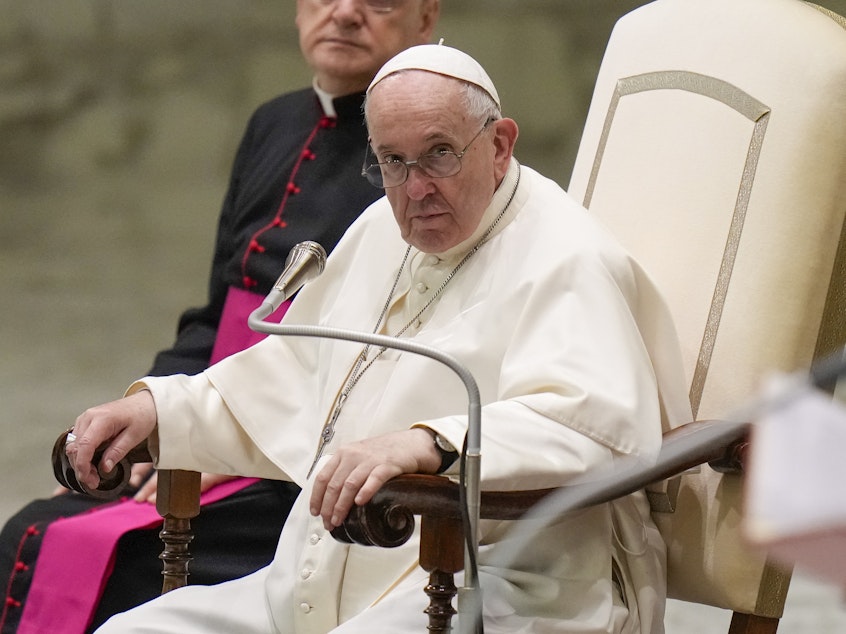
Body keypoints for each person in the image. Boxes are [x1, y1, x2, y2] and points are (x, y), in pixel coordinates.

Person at [68, 44, 692, 633]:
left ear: (500, 145)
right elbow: (292, 376)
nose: (415, 188)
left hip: (499, 588)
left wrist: (432, 443)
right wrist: (160, 409)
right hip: (322, 583)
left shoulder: (567, 256)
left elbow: (595, 422)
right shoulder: (381, 229)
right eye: (392, 161)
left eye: (440, 153)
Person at [0, 1, 440, 632]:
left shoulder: (418, 157)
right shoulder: (274, 123)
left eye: (377, 1)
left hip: (302, 459)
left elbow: (386, 353)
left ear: (425, 19)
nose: (344, 14)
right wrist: (151, 416)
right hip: (211, 410)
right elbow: (216, 311)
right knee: (38, 526)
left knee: (86, 549)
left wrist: (228, 443)